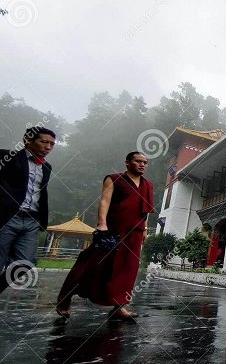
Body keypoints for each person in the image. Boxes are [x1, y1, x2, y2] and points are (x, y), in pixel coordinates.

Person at [55, 152, 154, 320]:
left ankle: (119, 306)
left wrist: (144, 228)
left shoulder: (147, 185)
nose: (142, 164)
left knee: (128, 269)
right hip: (112, 231)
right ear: (127, 162)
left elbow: (145, 209)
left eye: (145, 162)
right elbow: (105, 201)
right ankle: (65, 297)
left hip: (134, 233)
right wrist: (102, 224)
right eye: (138, 161)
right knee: (93, 263)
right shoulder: (113, 179)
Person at [0, 127, 56, 294]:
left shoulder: (47, 167)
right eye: (44, 142)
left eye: (52, 144)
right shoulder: (7, 156)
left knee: (26, 262)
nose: (48, 147)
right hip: (8, 217)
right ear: (28, 141)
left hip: (32, 220)